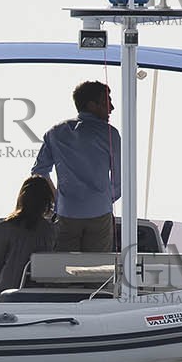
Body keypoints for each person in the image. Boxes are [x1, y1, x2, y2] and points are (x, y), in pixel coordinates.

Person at [30, 81, 120, 253]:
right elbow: (120, 179)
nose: (112, 108)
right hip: (99, 213)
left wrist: (57, 200)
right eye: (107, 102)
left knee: (63, 271)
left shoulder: (54, 132)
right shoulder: (110, 134)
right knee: (97, 271)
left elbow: (39, 172)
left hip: (66, 213)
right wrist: (104, 200)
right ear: (91, 105)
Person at [0, 175, 58, 300]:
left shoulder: (6, 228)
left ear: (22, 198)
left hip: (5, 291)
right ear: (47, 201)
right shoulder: (52, 231)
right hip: (42, 292)